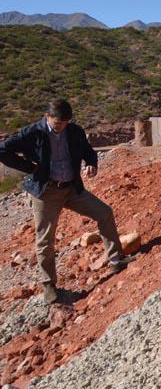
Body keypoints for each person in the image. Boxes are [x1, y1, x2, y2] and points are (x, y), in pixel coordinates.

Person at [0, 99, 134, 304]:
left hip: (72, 189)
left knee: (104, 213)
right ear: (47, 117)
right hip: (46, 192)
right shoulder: (32, 132)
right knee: (45, 239)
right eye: (57, 123)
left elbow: (88, 152)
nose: (61, 127)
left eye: (65, 123)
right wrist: (30, 168)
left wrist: (91, 163)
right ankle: (49, 287)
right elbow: (3, 150)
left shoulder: (74, 131)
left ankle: (116, 260)